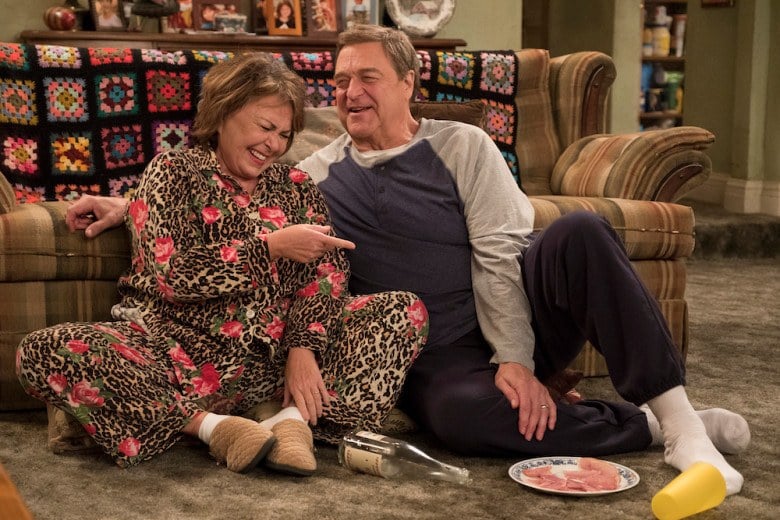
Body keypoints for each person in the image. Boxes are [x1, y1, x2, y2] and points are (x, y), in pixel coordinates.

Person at [62, 26, 750, 496]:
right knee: (459, 422)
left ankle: (683, 424)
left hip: (519, 319)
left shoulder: (464, 147)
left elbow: (504, 251)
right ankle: (645, 426)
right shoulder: (318, 174)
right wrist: (130, 203)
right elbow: (232, 188)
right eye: (339, 81)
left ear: (408, 82)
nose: (350, 91)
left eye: (367, 77)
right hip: (438, 352)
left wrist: (515, 357)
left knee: (580, 232)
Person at [16, 52, 428, 476]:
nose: (274, 144)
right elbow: (175, 275)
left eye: (284, 134)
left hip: (275, 361)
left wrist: (303, 348)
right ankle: (215, 429)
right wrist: (270, 247)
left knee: (403, 311)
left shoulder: (296, 185)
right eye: (265, 127)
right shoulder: (173, 171)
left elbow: (327, 274)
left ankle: (290, 421)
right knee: (43, 349)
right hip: (177, 359)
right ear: (224, 111)